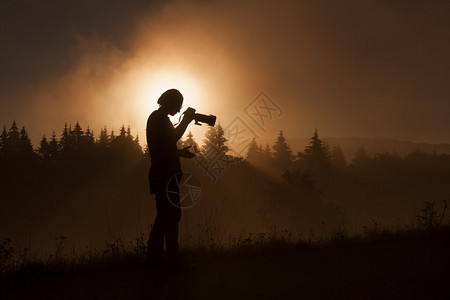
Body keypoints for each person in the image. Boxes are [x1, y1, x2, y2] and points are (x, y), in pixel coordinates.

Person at [146, 89, 196, 267]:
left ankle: (155, 258)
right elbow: (173, 137)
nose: (179, 108)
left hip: (164, 175)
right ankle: (171, 260)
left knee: (166, 216)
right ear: (171, 102)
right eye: (178, 104)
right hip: (165, 175)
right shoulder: (159, 119)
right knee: (171, 216)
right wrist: (186, 120)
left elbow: (164, 146)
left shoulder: (158, 119)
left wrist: (178, 153)